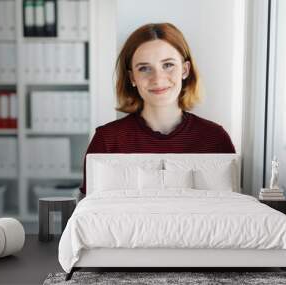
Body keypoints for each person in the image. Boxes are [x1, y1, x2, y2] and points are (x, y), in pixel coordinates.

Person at [78, 22, 235, 197]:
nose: (158, 78)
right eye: (144, 68)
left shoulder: (215, 139)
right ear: (132, 77)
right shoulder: (107, 140)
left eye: (168, 65)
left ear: (185, 70)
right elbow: (90, 211)